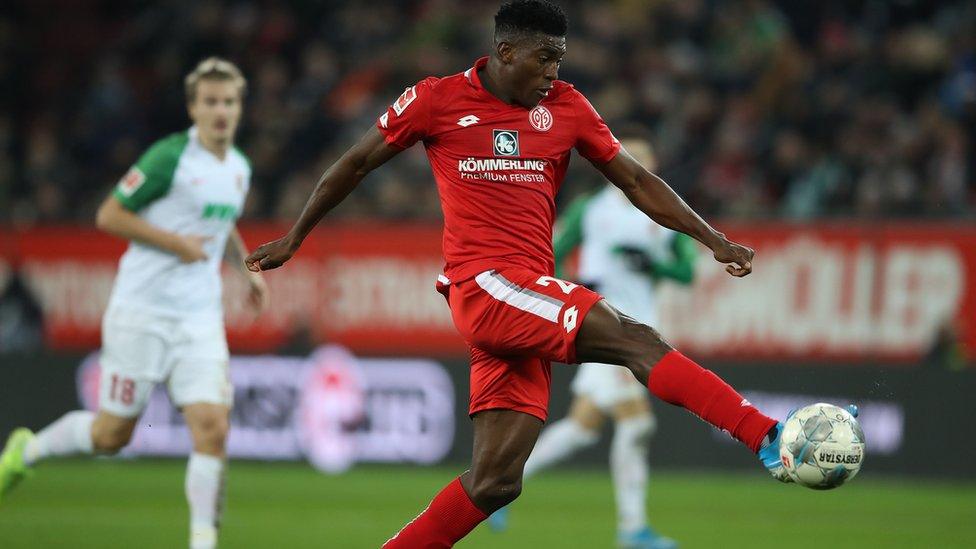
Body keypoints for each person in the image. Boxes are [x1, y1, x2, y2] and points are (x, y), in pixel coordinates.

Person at [245, 2, 790, 547]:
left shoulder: (568, 107)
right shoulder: (436, 100)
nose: (555, 71)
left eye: (561, 58)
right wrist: (296, 235)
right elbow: (356, 163)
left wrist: (712, 239)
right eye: (546, 57)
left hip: (522, 297)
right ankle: (765, 435)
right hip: (485, 285)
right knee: (635, 339)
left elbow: (636, 181)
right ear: (506, 51)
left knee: (496, 483)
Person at [0, 57, 268, 549]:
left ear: (239, 107)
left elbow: (220, 220)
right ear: (193, 108)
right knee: (111, 436)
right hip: (142, 312)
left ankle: (202, 542)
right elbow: (108, 215)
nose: (220, 111)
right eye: (210, 102)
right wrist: (173, 242)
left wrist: (244, 266)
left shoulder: (238, 168)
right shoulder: (169, 158)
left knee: (212, 427)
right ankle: (28, 449)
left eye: (228, 101)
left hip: (199, 317)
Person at [488, 128, 692, 549]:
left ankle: (499, 486)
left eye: (643, 159)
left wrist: (653, 265)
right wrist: (566, 288)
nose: (635, 165)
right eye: (628, 158)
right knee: (637, 424)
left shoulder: (660, 213)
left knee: (583, 427)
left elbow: (687, 272)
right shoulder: (591, 210)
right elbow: (553, 249)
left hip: (643, 327)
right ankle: (632, 528)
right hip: (604, 327)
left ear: (650, 167)